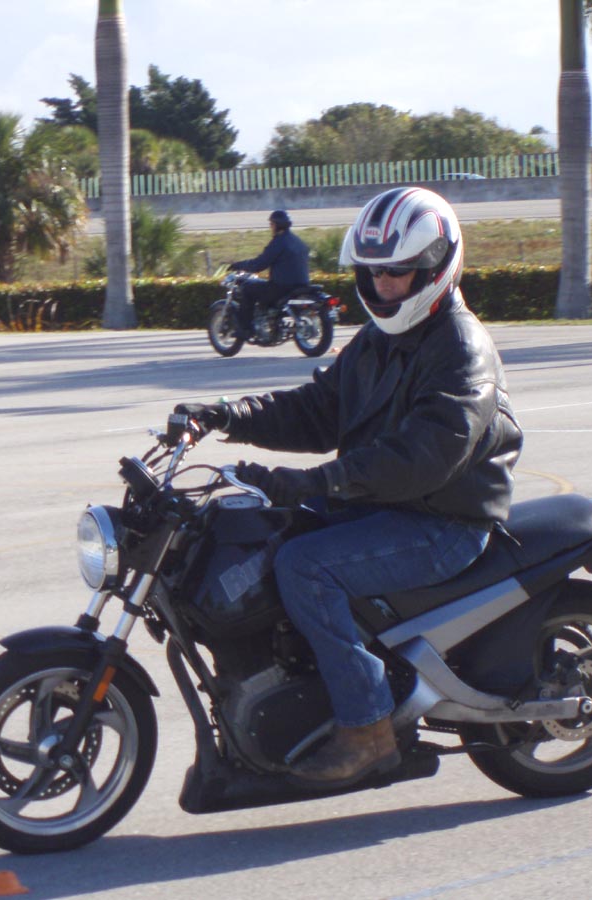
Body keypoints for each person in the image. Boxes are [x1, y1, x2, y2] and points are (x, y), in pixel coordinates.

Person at [177, 186, 523, 786]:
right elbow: (318, 408)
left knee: (306, 567)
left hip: (443, 520)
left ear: (435, 268)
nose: (384, 285)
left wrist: (317, 482)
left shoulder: (462, 350)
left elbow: (422, 457)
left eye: (399, 272)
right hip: (384, 504)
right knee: (257, 535)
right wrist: (227, 416)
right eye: (373, 272)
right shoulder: (380, 340)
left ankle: (368, 728)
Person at [227, 209, 310, 338]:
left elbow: (260, 264)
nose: (270, 227)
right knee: (262, 288)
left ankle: (245, 329)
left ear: (276, 225)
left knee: (247, 288)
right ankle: (268, 318)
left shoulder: (279, 242)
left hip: (282, 288)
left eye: (271, 224)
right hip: (302, 285)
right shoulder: (298, 241)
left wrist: (239, 265)